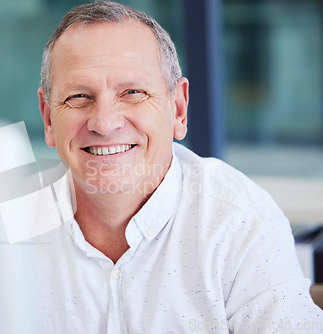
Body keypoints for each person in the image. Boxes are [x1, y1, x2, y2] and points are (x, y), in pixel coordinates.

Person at [31, 1, 323, 332]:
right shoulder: (1, 228)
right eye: (79, 97)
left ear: (178, 109)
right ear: (48, 118)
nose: (104, 122)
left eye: (132, 92)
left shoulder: (239, 220)